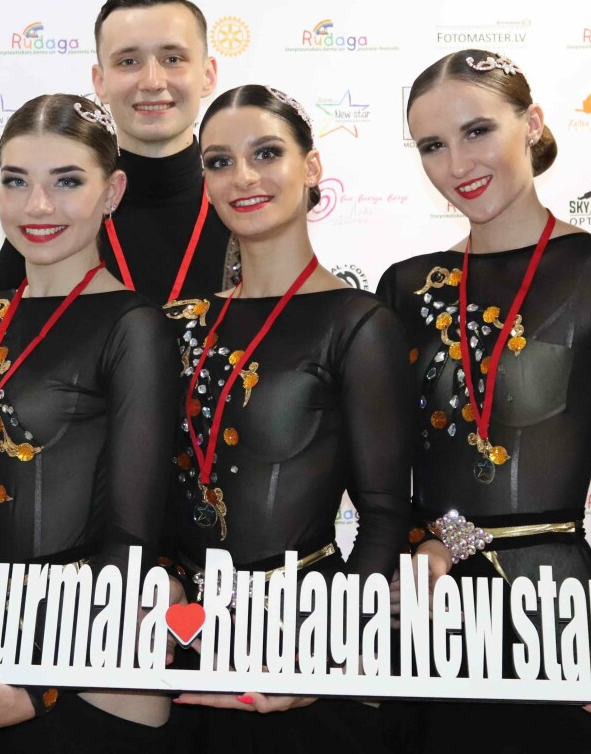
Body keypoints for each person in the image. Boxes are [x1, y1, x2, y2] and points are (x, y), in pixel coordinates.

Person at [376, 50, 591, 753]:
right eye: (432, 145)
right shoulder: (407, 286)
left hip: (560, 618)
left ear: (532, 123)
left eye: (478, 130)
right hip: (434, 622)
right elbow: (387, 475)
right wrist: (442, 541)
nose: (458, 164)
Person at [0, 94, 181, 751]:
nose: (37, 206)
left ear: (112, 191)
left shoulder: (135, 326)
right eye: (16, 181)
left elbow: (133, 542)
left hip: (96, 679)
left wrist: (37, 689)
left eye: (66, 182)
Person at [163, 84, 413, 753]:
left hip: (302, 646)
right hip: (182, 645)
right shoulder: (177, 323)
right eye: (219, 161)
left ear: (311, 166)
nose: (243, 177)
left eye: (266, 153)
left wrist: (326, 656)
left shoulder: (357, 322)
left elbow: (385, 513)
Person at [0, 0, 234, 303]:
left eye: (173, 59)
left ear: (207, 75)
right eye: (128, 61)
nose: (152, 82)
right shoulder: (48, 222)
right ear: (100, 82)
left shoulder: (244, 207)